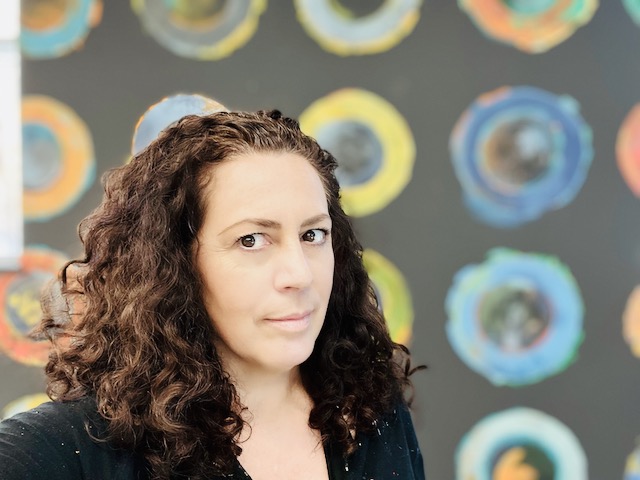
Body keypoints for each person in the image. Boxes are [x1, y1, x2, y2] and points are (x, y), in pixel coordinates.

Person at [0, 109, 425, 479]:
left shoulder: (372, 407)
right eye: (251, 240)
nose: (299, 275)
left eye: (313, 234)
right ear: (174, 264)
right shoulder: (83, 444)